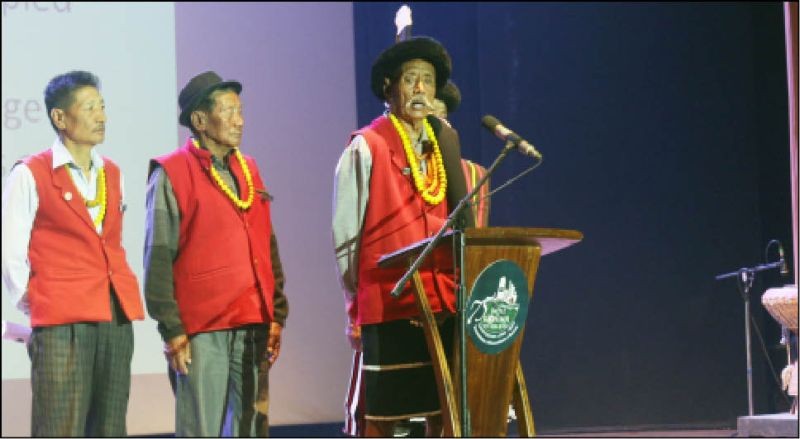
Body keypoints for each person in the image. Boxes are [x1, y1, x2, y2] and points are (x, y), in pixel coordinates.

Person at [333, 36, 474, 437]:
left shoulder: (443, 147)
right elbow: (346, 235)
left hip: (441, 297)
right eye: (410, 80)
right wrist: (353, 305)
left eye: (428, 81)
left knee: (441, 410)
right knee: (385, 415)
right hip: (388, 299)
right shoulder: (366, 147)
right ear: (388, 88)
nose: (420, 90)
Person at [144, 71, 288, 437]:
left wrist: (276, 312)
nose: (240, 120)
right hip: (201, 329)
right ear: (200, 121)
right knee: (202, 429)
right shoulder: (171, 173)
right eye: (228, 111)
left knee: (252, 427)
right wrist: (172, 329)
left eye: (240, 111)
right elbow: (157, 255)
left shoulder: (249, 169)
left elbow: (266, 244)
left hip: (252, 320)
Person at [1, 70, 145, 436]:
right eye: (90, 107)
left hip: (114, 314)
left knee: (110, 426)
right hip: (61, 320)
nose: (102, 116)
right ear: (60, 118)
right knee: (59, 426)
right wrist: (36, 304)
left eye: (102, 106)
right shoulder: (29, 173)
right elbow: (10, 251)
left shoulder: (112, 172)